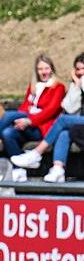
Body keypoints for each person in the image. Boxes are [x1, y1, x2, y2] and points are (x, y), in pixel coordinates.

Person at [0, 54, 67, 161]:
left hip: (41, 127)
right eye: (40, 69)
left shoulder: (58, 87)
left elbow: (51, 110)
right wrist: (20, 120)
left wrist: (30, 121)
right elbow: (25, 106)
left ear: (52, 69)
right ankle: (18, 169)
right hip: (27, 122)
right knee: (7, 133)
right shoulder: (34, 86)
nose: (44, 72)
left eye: (46, 68)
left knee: (9, 115)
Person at [9, 53, 84, 182]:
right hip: (79, 124)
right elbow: (69, 107)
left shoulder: (72, 83)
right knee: (64, 132)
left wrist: (81, 82)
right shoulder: (76, 84)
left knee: (62, 120)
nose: (80, 72)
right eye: (77, 69)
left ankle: (36, 153)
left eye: (83, 69)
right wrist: (77, 86)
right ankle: (58, 169)